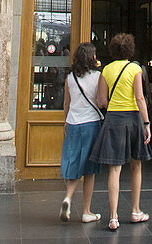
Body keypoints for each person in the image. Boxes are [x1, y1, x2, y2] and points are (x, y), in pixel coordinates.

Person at [91, 32, 152, 231]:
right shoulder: (134, 68)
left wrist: (114, 106)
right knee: (136, 166)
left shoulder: (106, 70)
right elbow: (140, 98)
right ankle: (135, 210)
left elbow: (101, 101)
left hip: (113, 119)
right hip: (133, 119)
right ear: (130, 49)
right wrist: (146, 123)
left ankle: (113, 216)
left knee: (114, 169)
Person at [59, 42, 103, 224]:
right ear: (91, 57)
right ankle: (86, 211)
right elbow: (101, 101)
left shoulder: (70, 77)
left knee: (74, 163)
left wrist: (65, 121)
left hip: (73, 123)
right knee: (90, 169)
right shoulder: (98, 76)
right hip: (91, 123)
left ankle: (68, 197)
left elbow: (66, 103)